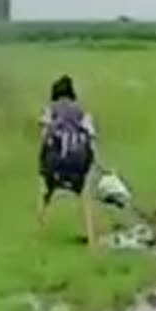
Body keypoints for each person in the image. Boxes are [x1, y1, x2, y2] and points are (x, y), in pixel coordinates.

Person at [38, 75, 100, 244]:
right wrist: (91, 164)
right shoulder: (82, 112)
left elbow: (44, 135)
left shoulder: (50, 109)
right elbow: (91, 137)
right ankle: (91, 235)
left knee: (46, 192)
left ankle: (40, 229)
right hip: (78, 162)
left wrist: (43, 164)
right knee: (83, 194)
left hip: (55, 161)